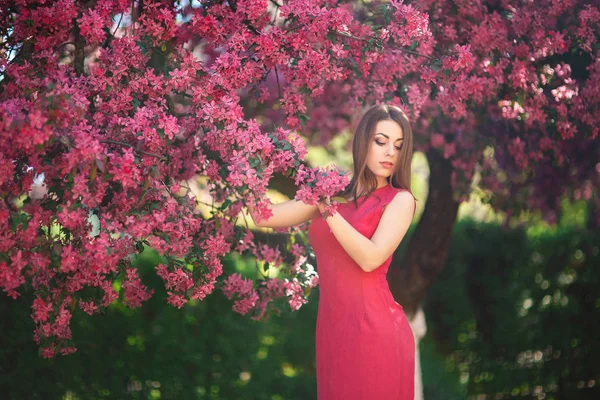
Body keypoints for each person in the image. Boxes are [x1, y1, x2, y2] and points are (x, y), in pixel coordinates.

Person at [249, 104, 417, 399]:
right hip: (332, 330)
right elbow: (263, 216)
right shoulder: (332, 190)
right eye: (381, 141)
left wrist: (326, 208)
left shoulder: (399, 200)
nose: (390, 152)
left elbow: (370, 259)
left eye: (398, 146)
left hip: (375, 330)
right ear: (363, 141)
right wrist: (253, 160)